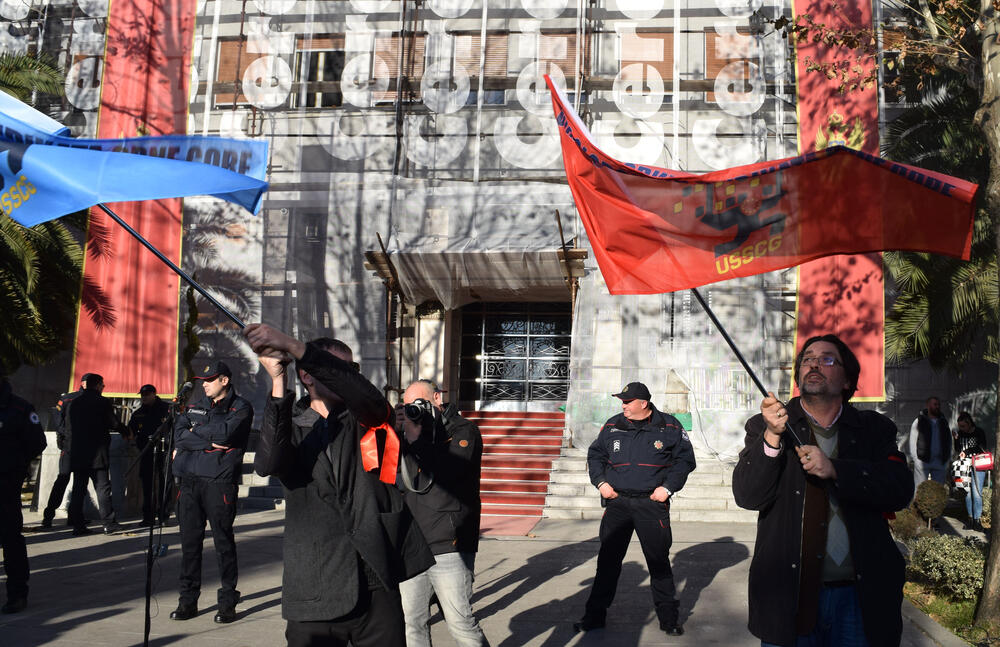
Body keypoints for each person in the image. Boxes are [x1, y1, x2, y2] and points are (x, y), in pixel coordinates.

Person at [248, 324, 433, 647]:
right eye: (336, 368)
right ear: (308, 377)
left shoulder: (367, 416)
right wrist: (278, 380)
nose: (346, 376)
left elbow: (366, 395)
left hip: (375, 579)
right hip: (315, 584)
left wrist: (294, 345)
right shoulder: (289, 423)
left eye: (351, 370)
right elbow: (270, 463)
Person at [733, 334, 914, 647]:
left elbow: (899, 488)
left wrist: (836, 469)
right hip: (788, 596)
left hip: (859, 599)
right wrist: (772, 438)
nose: (814, 363)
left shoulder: (873, 429)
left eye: (827, 359)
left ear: (846, 380)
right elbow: (748, 496)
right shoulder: (768, 426)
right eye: (807, 359)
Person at [574, 382, 696, 636]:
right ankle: (593, 617)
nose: (623, 406)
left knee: (658, 562)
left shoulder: (670, 426)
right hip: (618, 503)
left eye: (628, 402)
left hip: (651, 505)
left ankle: (669, 620)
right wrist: (601, 482)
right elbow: (595, 455)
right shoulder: (613, 424)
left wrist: (668, 488)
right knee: (607, 563)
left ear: (644, 403)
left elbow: (685, 460)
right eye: (622, 401)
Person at [397, 379, 488, 647]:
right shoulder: (409, 434)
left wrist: (417, 440)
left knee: (461, 624)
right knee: (412, 624)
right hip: (413, 544)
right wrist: (399, 432)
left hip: (450, 543)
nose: (413, 409)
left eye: (418, 403)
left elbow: (452, 471)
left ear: (437, 398)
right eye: (408, 405)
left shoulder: (463, 430)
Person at [170, 361, 253, 624]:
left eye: (209, 380)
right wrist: (208, 440)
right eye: (202, 380)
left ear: (224, 381)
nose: (203, 384)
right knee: (189, 545)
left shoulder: (240, 407)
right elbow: (179, 435)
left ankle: (228, 602)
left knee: (223, 544)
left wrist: (196, 435)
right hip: (189, 482)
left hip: (219, 483)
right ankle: (188, 601)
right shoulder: (194, 406)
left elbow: (227, 434)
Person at [0, 376, 46, 613]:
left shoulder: (20, 408)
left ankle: (17, 594)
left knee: (10, 539)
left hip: (6, 484)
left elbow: (38, 442)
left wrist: (15, 465)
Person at [65, 373, 126, 536]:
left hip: (78, 453)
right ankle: (108, 523)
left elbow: (69, 428)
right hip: (97, 454)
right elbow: (113, 423)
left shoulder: (75, 403)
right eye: (103, 385)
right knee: (103, 488)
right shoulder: (102, 402)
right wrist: (126, 431)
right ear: (98, 385)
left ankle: (78, 525)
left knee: (79, 489)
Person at [40, 374, 89, 528]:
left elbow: (58, 421)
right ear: (84, 383)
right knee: (69, 482)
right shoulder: (70, 398)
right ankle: (58, 517)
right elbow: (58, 419)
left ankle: (57, 517)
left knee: (67, 482)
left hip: (70, 447)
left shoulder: (70, 398)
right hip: (73, 448)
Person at [128, 384, 171, 526]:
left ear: (154, 394)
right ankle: (148, 517)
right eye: (142, 395)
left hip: (164, 451)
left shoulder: (166, 409)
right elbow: (130, 431)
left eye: (147, 394)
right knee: (147, 486)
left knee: (164, 484)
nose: (144, 397)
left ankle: (163, 516)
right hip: (146, 452)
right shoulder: (138, 413)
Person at [954, 411, 989, 532]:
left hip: (977, 465)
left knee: (976, 492)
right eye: (960, 427)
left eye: (963, 426)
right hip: (964, 466)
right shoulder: (960, 433)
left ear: (969, 423)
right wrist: (956, 439)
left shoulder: (978, 432)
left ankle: (977, 520)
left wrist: (967, 452)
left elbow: (981, 447)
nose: (961, 429)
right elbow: (958, 449)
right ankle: (970, 520)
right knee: (967, 493)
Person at [909, 396, 952, 487]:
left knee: (939, 491)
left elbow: (949, 441)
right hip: (923, 461)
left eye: (938, 405)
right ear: (928, 406)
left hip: (940, 462)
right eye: (935, 404)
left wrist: (946, 460)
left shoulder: (943, 422)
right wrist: (916, 460)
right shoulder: (919, 421)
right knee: (920, 490)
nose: (937, 407)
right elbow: (912, 441)